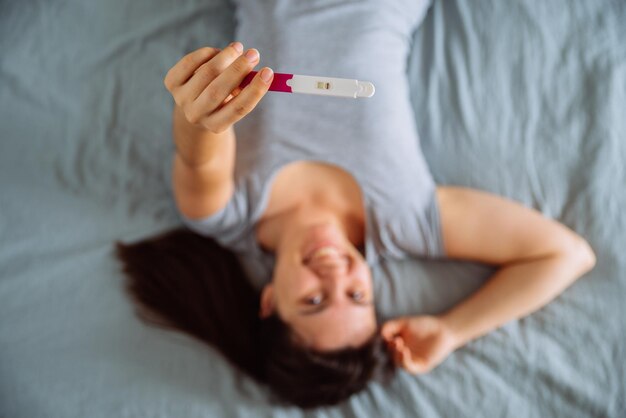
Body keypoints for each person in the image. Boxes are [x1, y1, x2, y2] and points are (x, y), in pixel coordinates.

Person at [115, 1, 596, 409]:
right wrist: (451, 332)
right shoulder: (405, 222)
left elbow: (201, 154)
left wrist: (199, 116)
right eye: (358, 296)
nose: (336, 274)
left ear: (269, 301)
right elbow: (567, 255)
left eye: (314, 300)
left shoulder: (224, 214)